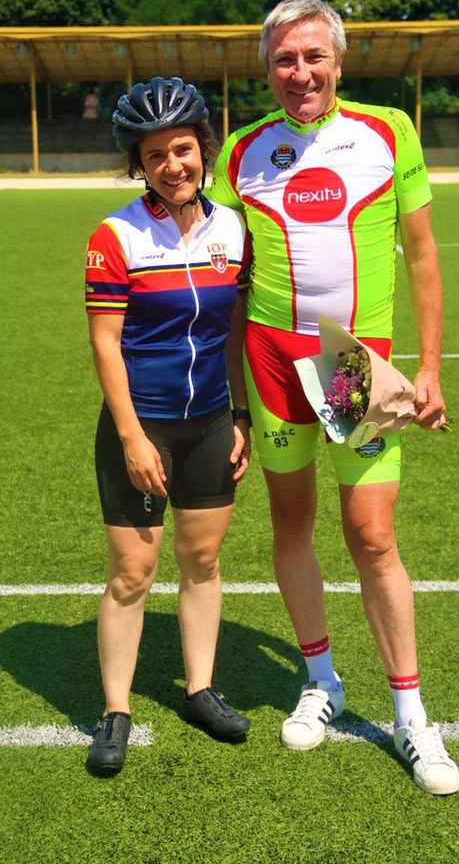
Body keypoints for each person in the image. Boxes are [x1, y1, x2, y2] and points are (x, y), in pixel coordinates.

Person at [210, 0, 459, 795]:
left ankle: (411, 712)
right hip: (273, 360)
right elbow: (226, 284)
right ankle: (321, 678)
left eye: (314, 56)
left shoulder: (388, 132)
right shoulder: (241, 151)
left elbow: (423, 254)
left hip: (348, 362)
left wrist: (429, 368)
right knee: (292, 521)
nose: (301, 72)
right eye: (285, 59)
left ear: (339, 62)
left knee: (372, 534)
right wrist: (234, 402)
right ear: (267, 69)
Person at [85, 76, 252, 772]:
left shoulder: (232, 229)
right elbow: (105, 343)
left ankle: (200, 688)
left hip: (211, 421)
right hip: (142, 424)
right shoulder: (117, 234)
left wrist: (239, 411)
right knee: (133, 571)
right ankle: (115, 707)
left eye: (182, 149)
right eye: (155, 155)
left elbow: (234, 328)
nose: (172, 165)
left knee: (202, 561)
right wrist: (131, 437)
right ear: (140, 164)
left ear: (203, 149)